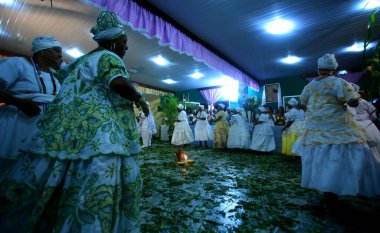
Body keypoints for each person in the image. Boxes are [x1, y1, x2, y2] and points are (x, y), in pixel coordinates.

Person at [0, 11, 149, 232]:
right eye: (124, 42)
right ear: (114, 42)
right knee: (97, 177)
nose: (126, 47)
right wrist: (140, 98)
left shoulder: (81, 61)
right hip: (102, 135)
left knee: (57, 173)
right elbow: (117, 82)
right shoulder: (109, 56)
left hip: (69, 133)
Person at [294, 54, 380, 205]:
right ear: (334, 69)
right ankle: (337, 186)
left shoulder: (309, 86)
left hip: (315, 128)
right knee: (340, 156)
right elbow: (353, 102)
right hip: (337, 127)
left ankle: (325, 187)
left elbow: (302, 102)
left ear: (319, 69)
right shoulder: (340, 83)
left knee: (319, 157)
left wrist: (317, 109)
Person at [0, 36, 62, 173]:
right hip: (13, 126)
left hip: (41, 134)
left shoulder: (56, 76)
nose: (60, 54)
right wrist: (19, 103)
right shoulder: (17, 64)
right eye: (56, 50)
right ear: (42, 51)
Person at [348, 83, 380, 162]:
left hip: (352, 126)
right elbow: (373, 114)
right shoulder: (364, 102)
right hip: (368, 125)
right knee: (375, 145)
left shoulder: (346, 104)